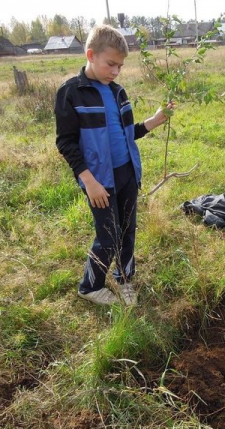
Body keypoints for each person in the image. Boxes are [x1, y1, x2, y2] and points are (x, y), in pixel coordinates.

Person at [55, 25, 173, 306]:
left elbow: (126, 132)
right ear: (91, 55)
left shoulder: (118, 92)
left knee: (127, 230)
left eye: (120, 66)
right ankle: (90, 285)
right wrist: (89, 181)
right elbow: (66, 143)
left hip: (127, 174)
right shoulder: (72, 93)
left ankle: (124, 279)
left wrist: (154, 121)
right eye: (111, 64)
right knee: (108, 235)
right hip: (99, 181)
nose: (116, 71)